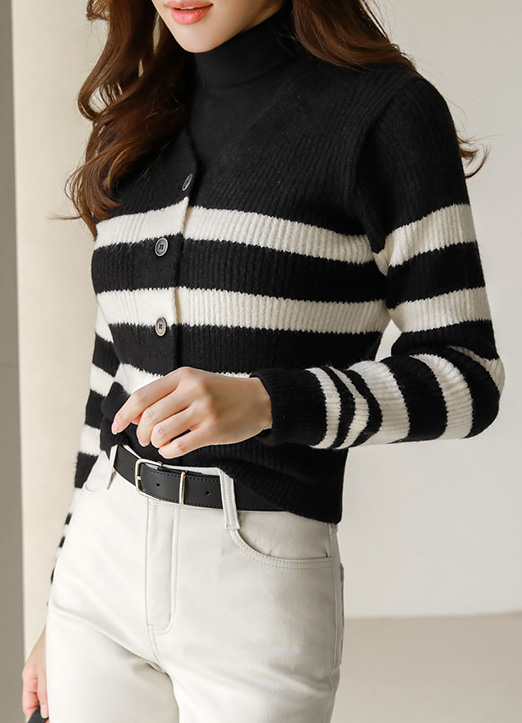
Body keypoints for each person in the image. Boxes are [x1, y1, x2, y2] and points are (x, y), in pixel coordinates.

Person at [22, 0, 506, 721]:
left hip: (255, 579)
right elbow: (108, 386)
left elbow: (467, 376)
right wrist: (58, 599)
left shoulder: (384, 114)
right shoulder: (141, 123)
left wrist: (269, 402)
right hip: (99, 571)